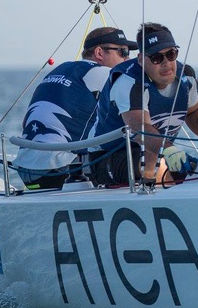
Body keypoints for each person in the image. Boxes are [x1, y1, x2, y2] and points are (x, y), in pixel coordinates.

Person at [87, 23, 198, 187]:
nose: (166, 63)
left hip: (159, 150)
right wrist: (169, 149)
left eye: (171, 54)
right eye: (156, 58)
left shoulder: (186, 76)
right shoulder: (128, 81)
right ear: (141, 59)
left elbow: (194, 110)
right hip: (108, 156)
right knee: (154, 159)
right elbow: (139, 128)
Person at [12, 26, 137, 190]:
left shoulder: (58, 71)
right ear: (99, 53)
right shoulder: (102, 73)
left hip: (26, 169)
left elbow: (25, 123)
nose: (127, 58)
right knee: (135, 149)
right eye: (123, 52)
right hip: (62, 171)